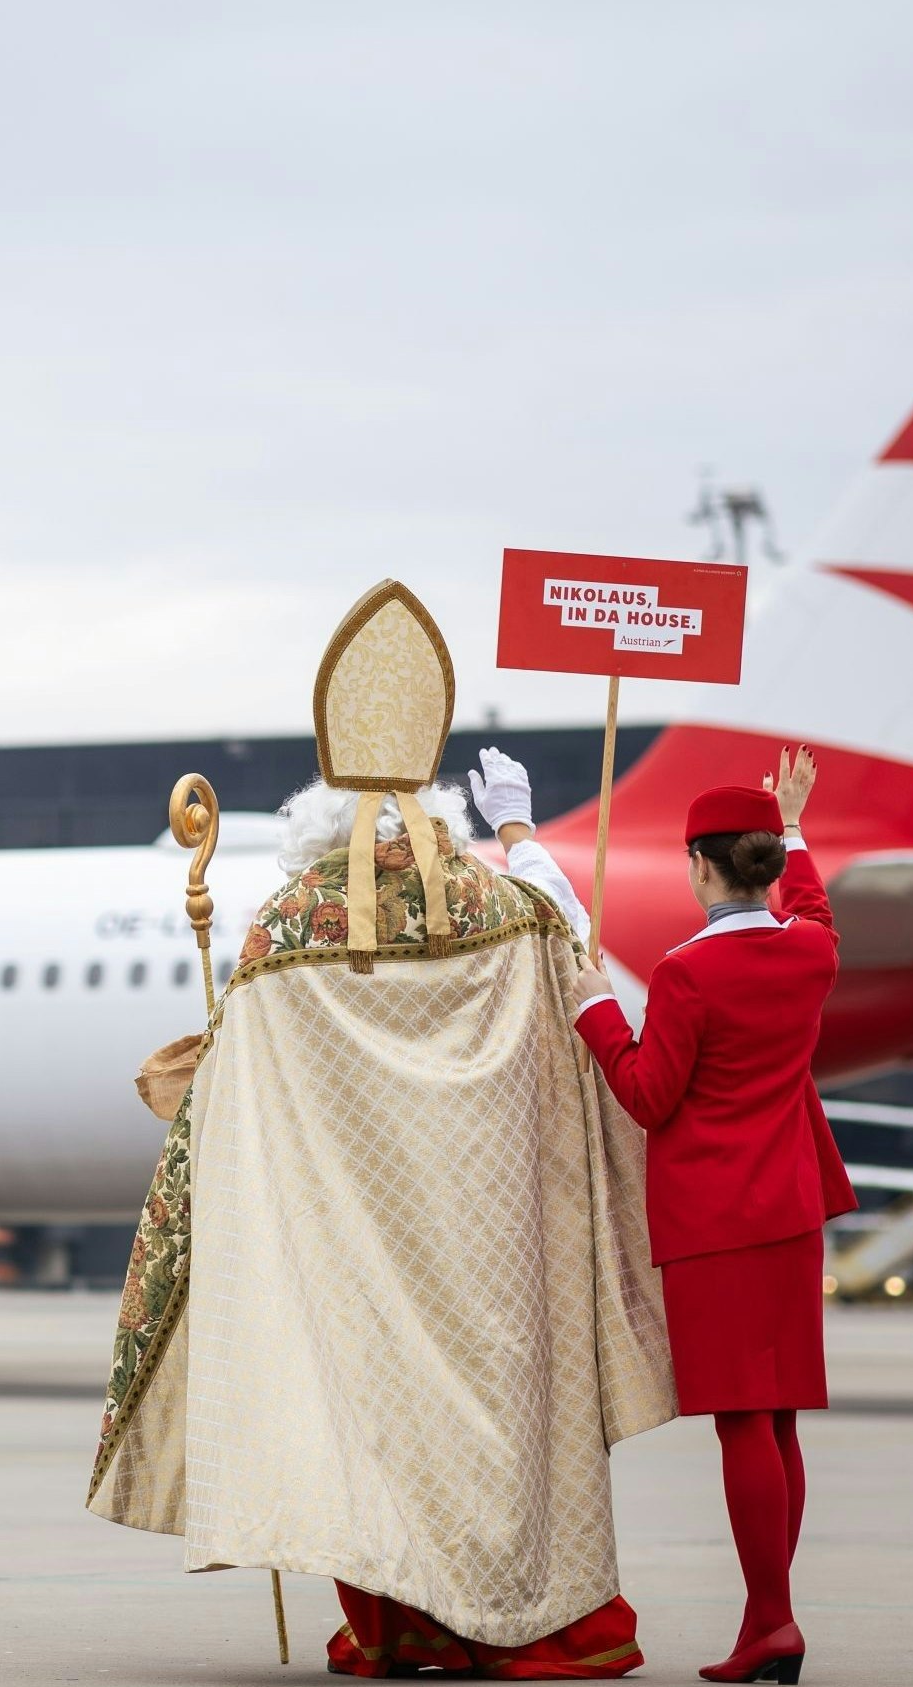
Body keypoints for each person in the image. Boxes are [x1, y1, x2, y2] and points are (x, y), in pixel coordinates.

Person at [92, 580, 674, 1680]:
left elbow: (242, 1099)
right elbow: (582, 1019)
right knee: (505, 1421)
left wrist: (205, 1080)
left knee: (364, 1412)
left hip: (355, 1245)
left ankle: (398, 1623)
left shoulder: (285, 930)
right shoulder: (517, 916)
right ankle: (536, 1615)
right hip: (500, 1243)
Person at [570, 747, 856, 1685]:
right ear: (765, 862)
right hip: (792, 1207)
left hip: (716, 1222)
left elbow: (648, 1096)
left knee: (742, 1421)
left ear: (700, 865)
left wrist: (596, 1010)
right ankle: (767, 1616)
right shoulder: (809, 951)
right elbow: (813, 911)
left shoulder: (685, 974)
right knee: (778, 1422)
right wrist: (801, 826)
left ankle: (773, 1623)